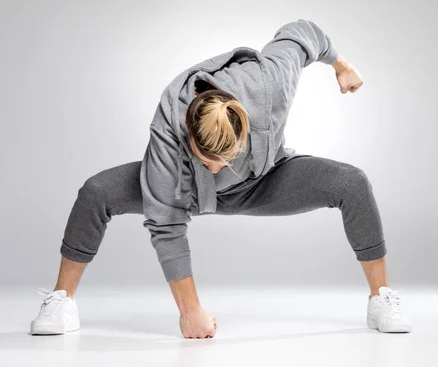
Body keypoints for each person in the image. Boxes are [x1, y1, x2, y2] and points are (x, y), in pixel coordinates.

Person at [29, 19, 412, 338]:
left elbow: (303, 33)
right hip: (185, 190)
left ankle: (381, 298)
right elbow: (166, 225)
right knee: (97, 191)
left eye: (224, 158)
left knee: (352, 182)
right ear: (186, 130)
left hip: (264, 182)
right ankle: (63, 301)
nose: (216, 167)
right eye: (205, 158)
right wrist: (190, 312)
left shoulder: (270, 81)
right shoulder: (169, 118)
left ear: (245, 129)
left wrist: (342, 66)